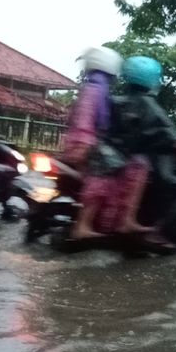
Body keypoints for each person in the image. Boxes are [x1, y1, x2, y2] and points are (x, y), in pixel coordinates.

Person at [109, 56, 176, 247]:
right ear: (151, 78)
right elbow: (174, 140)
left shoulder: (117, 101)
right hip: (153, 164)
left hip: (121, 160)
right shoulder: (149, 105)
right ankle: (161, 233)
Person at [62, 46, 152, 240]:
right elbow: (85, 121)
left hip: (85, 141)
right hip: (85, 143)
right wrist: (86, 146)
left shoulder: (94, 86)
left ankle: (111, 220)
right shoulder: (96, 89)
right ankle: (94, 224)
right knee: (137, 166)